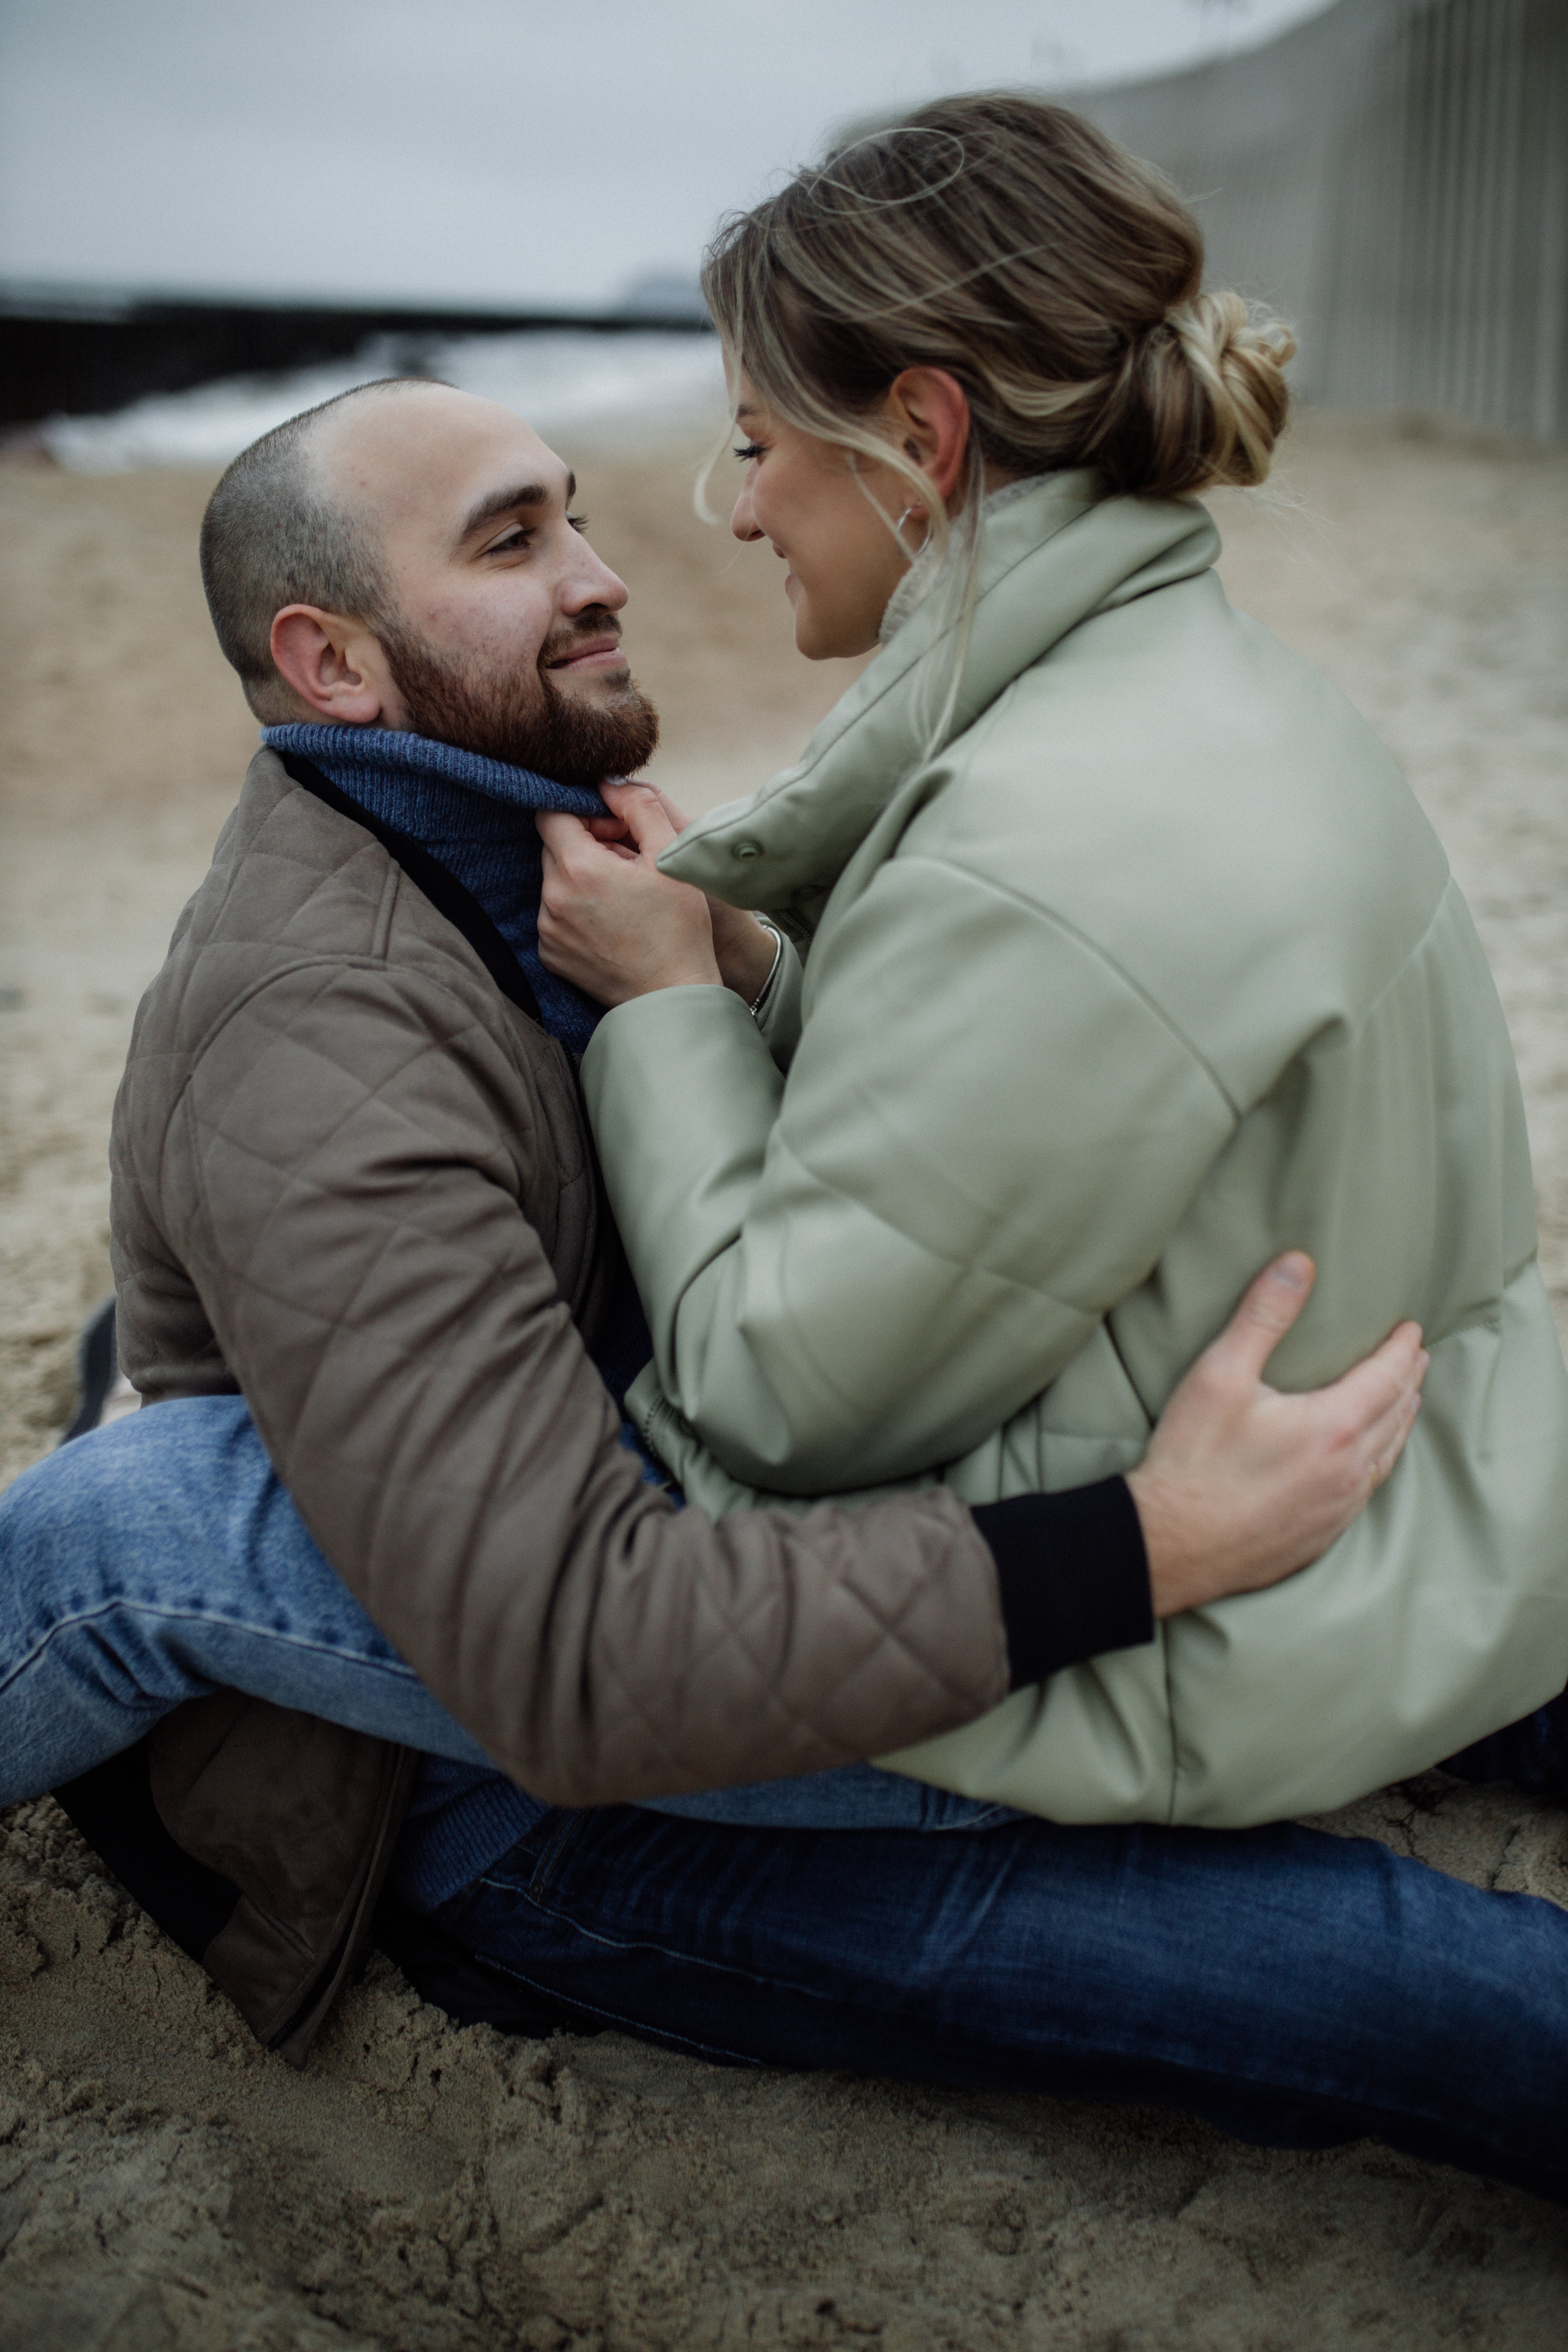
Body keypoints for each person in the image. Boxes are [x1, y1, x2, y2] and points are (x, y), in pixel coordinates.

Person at [0, 374, 1420, 2070]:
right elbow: (573, 1655)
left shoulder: (554, 857)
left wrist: (730, 970)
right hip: (510, 1801)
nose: (602, 572)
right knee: (1409, 1975)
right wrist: (1143, 1548)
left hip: (737, 1520)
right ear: (334, 665)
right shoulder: (320, 1036)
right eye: (515, 540)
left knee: (1402, 1532)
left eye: (574, 511)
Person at [533, 92, 1568, 1831]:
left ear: (921, 436)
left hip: (1232, 1649)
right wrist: (776, 981)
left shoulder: (1048, 839)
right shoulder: (1207, 692)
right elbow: (1048, 1131)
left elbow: (780, 1394)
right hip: (1426, 1527)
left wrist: (666, 1011)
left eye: (760, 442)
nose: (736, 513)